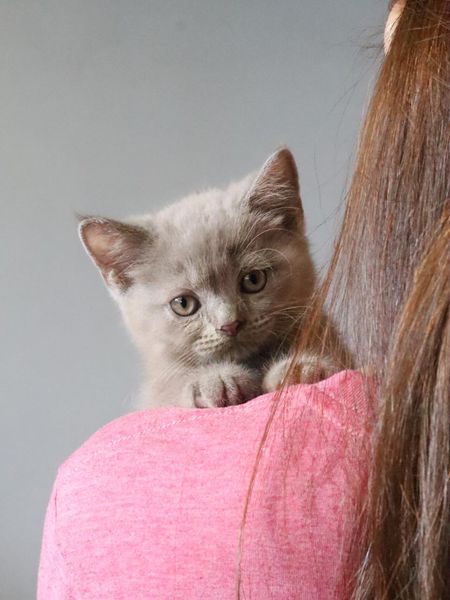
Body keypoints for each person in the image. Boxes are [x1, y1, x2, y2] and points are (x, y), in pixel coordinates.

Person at [38, 1, 449, 598]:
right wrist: (190, 392)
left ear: (289, 222)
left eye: (253, 280)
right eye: (186, 305)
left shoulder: (91, 485)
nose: (228, 320)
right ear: (122, 280)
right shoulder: (133, 446)